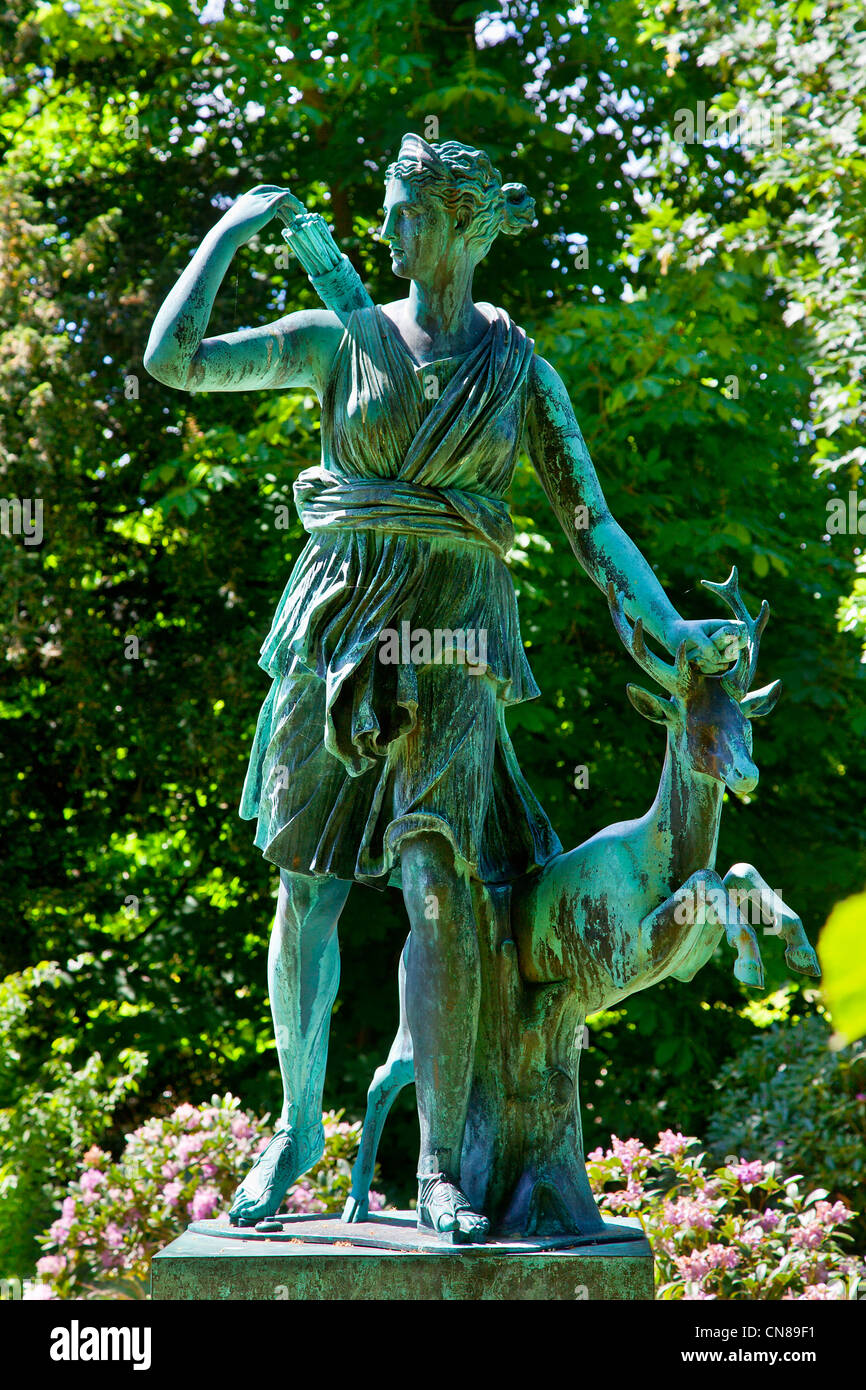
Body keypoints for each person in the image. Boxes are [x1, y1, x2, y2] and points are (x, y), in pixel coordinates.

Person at [144, 134, 744, 1241]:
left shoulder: (517, 369)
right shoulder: (340, 340)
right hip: (332, 627)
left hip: (460, 637)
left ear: (464, 225)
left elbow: (590, 526)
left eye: (408, 214)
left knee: (440, 891)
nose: (385, 234)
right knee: (305, 890)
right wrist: (232, 227)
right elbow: (174, 357)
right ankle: (296, 1124)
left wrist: (671, 631)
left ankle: (438, 1167)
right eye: (384, 214)